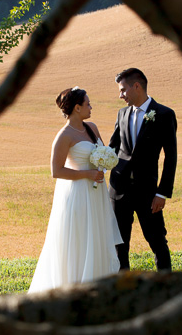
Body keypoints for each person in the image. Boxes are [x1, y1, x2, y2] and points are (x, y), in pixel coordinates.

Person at [28, 87, 123, 293]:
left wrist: (104, 163)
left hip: (96, 194)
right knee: (80, 239)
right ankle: (74, 287)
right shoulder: (64, 135)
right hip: (78, 193)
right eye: (88, 103)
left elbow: (102, 150)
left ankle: (98, 284)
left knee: (96, 236)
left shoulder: (92, 128)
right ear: (77, 107)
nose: (91, 106)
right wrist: (86, 175)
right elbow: (56, 171)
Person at [108, 68, 177, 272]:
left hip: (148, 192)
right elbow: (112, 148)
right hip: (118, 191)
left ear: (136, 86)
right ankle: (122, 286)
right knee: (119, 244)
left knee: (157, 241)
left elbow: (171, 157)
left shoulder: (164, 114)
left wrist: (162, 192)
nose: (120, 95)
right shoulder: (122, 114)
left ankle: (166, 284)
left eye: (123, 90)